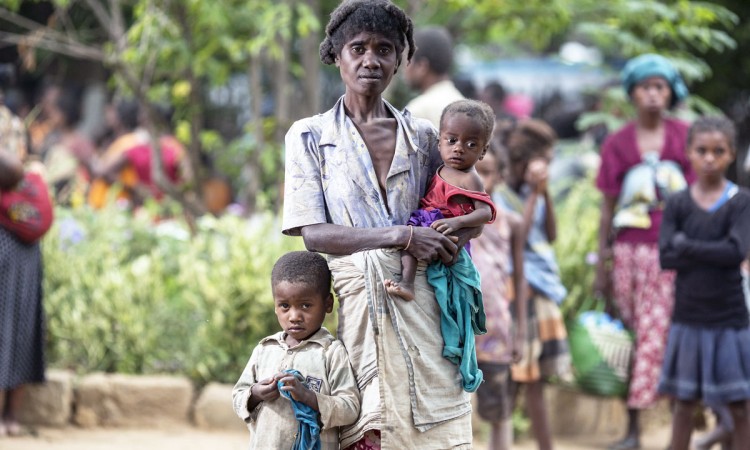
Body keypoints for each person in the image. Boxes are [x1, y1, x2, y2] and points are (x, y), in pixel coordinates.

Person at [282, 1, 476, 448]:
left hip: (423, 307)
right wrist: (403, 236)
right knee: (360, 425)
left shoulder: (425, 136)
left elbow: (452, 205)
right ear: (336, 54)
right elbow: (314, 233)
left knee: (433, 424)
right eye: (359, 48)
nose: (371, 59)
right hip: (353, 308)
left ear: (400, 59)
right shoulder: (309, 136)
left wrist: (452, 236)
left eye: (385, 49)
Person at [593, 53, 694, 450]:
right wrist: (603, 262)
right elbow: (607, 208)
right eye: (645, 87)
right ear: (632, 92)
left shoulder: (686, 136)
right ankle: (636, 427)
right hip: (628, 252)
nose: (653, 94)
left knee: (656, 333)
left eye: (660, 87)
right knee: (635, 337)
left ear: (669, 93)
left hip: (671, 253)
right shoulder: (617, 143)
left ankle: (649, 432)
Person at [657, 116, 750, 450]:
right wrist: (710, 251)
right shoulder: (679, 202)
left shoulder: (741, 201)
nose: (710, 157)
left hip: (730, 319)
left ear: (731, 154)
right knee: (683, 405)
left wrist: (686, 245)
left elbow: (736, 250)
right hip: (689, 317)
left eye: (718, 151)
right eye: (702, 150)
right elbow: (666, 257)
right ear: (689, 153)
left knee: (740, 407)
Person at [232, 251, 360, 450]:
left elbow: (350, 407)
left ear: (327, 304)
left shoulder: (331, 352)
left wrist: (309, 397)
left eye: (305, 306)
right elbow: (239, 395)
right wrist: (256, 393)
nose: (294, 316)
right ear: (275, 306)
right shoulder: (265, 349)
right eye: (284, 306)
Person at [493, 118, 570, 450]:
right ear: (525, 162)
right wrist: (536, 195)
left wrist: (544, 193)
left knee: (532, 378)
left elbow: (550, 234)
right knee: (521, 379)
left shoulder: (531, 190)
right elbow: (519, 236)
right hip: (517, 290)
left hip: (541, 288)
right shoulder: (503, 194)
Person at [383, 99, 497, 301]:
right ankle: (407, 284)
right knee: (409, 245)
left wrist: (457, 222)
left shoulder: (470, 178)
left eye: (471, 144)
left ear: (483, 151)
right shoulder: (439, 167)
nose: (459, 148)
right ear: (439, 142)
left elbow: (485, 212)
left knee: (452, 282)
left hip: (449, 230)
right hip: (426, 220)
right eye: (452, 140)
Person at [473, 145, 528, 450]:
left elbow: (519, 280)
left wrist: (520, 333)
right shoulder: (448, 218)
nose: (479, 179)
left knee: (499, 412)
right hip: (456, 332)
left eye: (487, 172)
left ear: (501, 177)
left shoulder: (511, 223)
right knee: (455, 408)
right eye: (474, 171)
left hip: (495, 331)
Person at [0, 104, 46, 438]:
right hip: (24, 257)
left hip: (18, 257)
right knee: (12, 331)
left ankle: (10, 417)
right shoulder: (33, 175)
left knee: (15, 330)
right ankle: (10, 419)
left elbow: (11, 170)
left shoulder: (22, 173)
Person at [403, 26, 465, 129]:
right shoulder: (463, 104)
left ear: (421, 66)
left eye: (407, 61)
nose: (404, 68)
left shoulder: (418, 111)